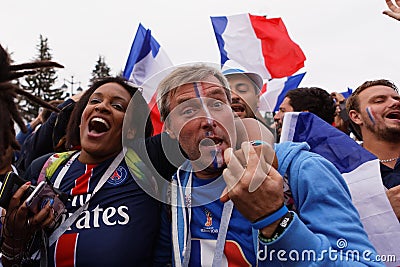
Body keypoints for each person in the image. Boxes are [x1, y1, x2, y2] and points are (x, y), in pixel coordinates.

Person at [153, 63, 382, 266]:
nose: (209, 120)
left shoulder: (300, 170)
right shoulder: (177, 188)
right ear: (170, 129)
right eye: (189, 110)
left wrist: (275, 220)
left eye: (217, 104)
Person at [1, 77, 160, 266]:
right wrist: (13, 239)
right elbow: (15, 259)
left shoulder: (147, 164)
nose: (101, 107)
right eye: (94, 100)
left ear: (131, 130)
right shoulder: (45, 167)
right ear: (80, 120)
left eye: (117, 106)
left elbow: (190, 134)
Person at [346, 79, 400, 218]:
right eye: (379, 101)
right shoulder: (342, 173)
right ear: (356, 116)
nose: (395, 103)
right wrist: (382, 212)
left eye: (396, 98)